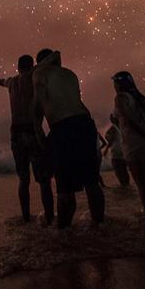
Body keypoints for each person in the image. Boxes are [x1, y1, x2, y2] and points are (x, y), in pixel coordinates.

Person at [32, 49, 104, 228]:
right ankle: (99, 226)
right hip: (85, 124)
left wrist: (40, 136)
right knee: (91, 182)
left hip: (63, 127)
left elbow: (37, 108)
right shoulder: (69, 74)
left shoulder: (40, 73)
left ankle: (63, 233)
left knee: (64, 188)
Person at [0, 54, 55, 225]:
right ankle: (49, 217)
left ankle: (26, 218)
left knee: (23, 179)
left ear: (18, 67)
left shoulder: (12, 82)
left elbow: (2, 80)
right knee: (43, 180)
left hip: (16, 133)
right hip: (32, 131)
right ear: (31, 65)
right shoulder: (33, 76)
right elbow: (51, 58)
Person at [112, 71, 145, 216]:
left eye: (115, 83)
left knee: (141, 183)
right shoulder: (141, 98)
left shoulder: (120, 98)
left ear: (119, 84)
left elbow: (128, 120)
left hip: (133, 143)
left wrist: (143, 134)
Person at [102, 115, 130, 186]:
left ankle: (123, 185)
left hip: (116, 152)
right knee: (124, 170)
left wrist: (106, 149)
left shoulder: (113, 128)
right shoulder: (123, 127)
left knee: (119, 171)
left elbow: (110, 139)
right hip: (123, 151)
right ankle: (126, 185)